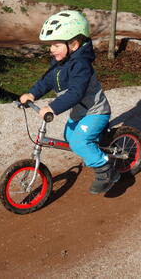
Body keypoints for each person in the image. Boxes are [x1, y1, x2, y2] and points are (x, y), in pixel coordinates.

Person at [20, 10, 120, 194]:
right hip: (81, 112)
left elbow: (76, 93)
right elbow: (47, 81)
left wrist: (52, 107)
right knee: (69, 137)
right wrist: (32, 94)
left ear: (73, 44)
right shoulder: (60, 62)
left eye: (57, 45)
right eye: (51, 45)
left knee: (79, 142)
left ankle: (107, 171)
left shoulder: (81, 66)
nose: (52, 49)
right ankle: (96, 146)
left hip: (95, 112)